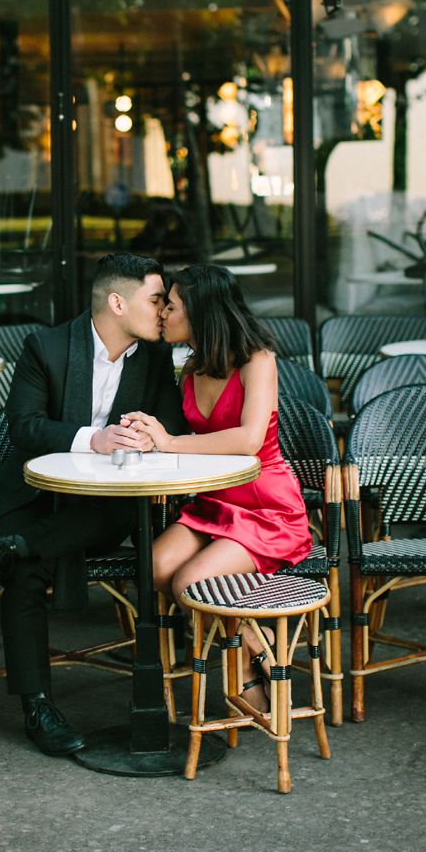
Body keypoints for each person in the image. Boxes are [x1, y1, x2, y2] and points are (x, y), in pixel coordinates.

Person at [0, 253, 187, 756]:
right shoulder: (47, 345)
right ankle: (37, 705)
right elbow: (24, 425)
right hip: (34, 493)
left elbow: (171, 425)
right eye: (155, 301)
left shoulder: (153, 357)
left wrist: (150, 437)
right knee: (27, 571)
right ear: (117, 302)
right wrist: (92, 439)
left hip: (104, 504)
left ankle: (5, 550)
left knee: (36, 548)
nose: (164, 312)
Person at [121, 264, 311, 716]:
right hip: (214, 501)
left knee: (190, 581)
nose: (163, 312)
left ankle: (247, 673)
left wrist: (168, 442)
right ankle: (256, 644)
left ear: (200, 312)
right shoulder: (189, 367)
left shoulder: (257, 359)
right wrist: (148, 436)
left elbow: (248, 441)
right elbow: (192, 444)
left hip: (266, 506)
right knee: (154, 566)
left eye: (171, 304)